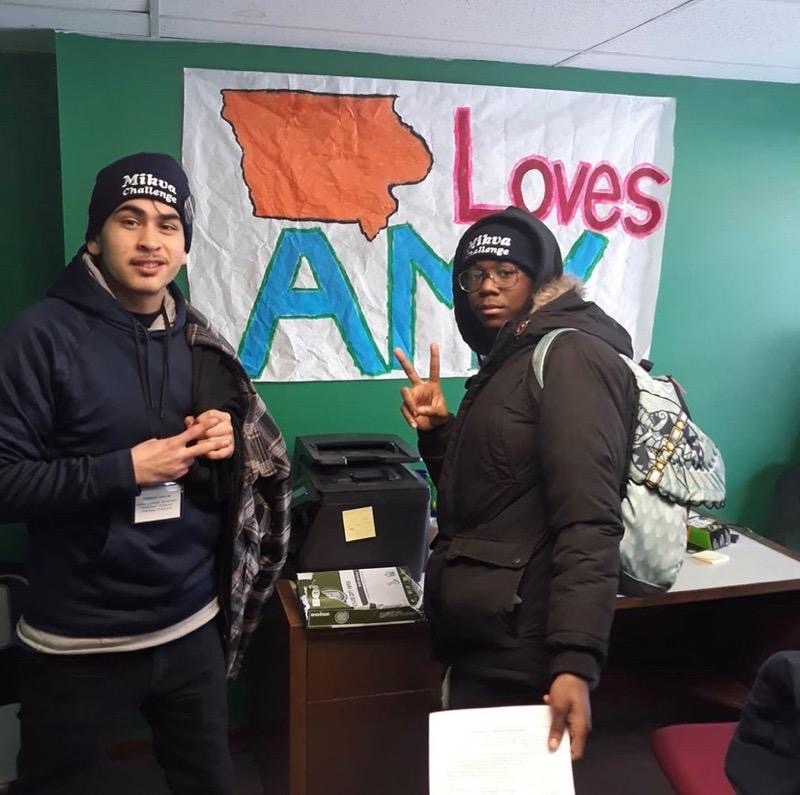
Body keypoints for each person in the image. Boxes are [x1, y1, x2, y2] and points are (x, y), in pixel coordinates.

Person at [0, 153, 291, 794]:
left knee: (210, 783)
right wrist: (125, 468)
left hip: (189, 625)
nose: (150, 240)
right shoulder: (40, 337)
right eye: (129, 220)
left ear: (186, 245)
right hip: (78, 640)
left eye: (168, 224)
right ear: (96, 235)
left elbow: (238, 461)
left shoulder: (196, 338)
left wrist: (227, 441)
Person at [395, 206, 636, 761]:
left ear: (539, 277)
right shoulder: (508, 361)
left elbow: (590, 519)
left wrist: (576, 659)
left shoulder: (571, 355)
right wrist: (439, 432)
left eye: (507, 271)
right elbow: (489, 500)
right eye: (474, 274)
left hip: (527, 640)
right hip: (487, 628)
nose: (487, 286)